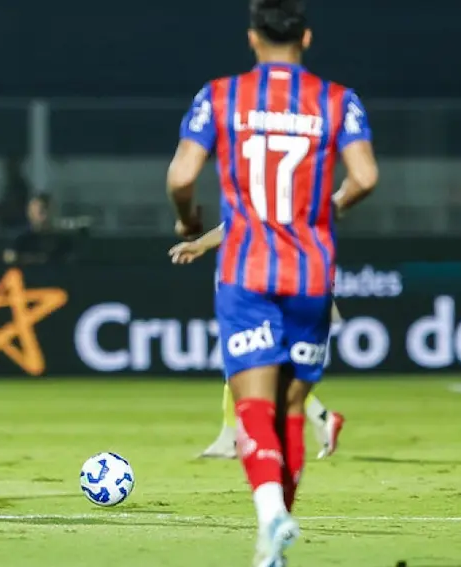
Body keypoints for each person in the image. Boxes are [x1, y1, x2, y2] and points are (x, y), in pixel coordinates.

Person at [165, 0, 378, 564]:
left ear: (252, 38)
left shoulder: (221, 96)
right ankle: (273, 545)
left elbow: (182, 176)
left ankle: (270, 518)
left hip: (247, 270)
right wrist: (330, 207)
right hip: (311, 271)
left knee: (253, 404)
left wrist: (188, 221)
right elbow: (365, 176)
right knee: (292, 409)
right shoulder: (338, 100)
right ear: (305, 38)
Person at [170, 225, 345, 460]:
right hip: (255, 292)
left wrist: (200, 244)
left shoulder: (269, 217)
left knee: (252, 369)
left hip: (260, 297)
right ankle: (231, 438)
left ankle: (320, 418)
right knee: (245, 369)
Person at [2, 194, 73, 266]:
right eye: (40, 212)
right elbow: (9, 257)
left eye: (48, 211)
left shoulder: (62, 240)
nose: (45, 216)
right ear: (30, 213)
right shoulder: (21, 239)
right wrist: (31, 259)